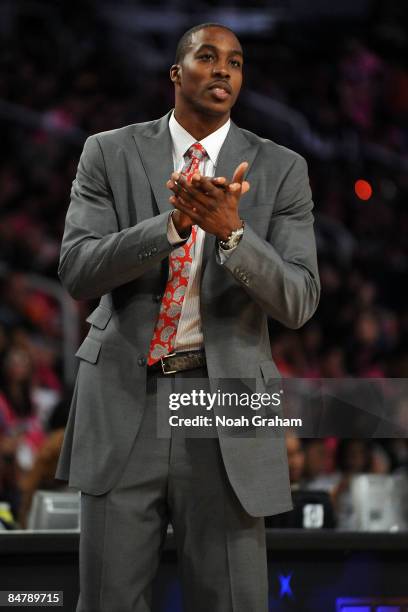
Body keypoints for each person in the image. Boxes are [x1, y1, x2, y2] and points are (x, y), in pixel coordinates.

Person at [55, 22, 320, 612]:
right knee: (108, 601)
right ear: (177, 73)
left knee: (231, 600)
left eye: (236, 61)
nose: (224, 69)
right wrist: (170, 227)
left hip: (224, 400)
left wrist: (233, 234)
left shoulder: (282, 169)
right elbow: (77, 270)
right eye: (207, 57)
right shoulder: (108, 151)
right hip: (127, 392)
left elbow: (300, 299)